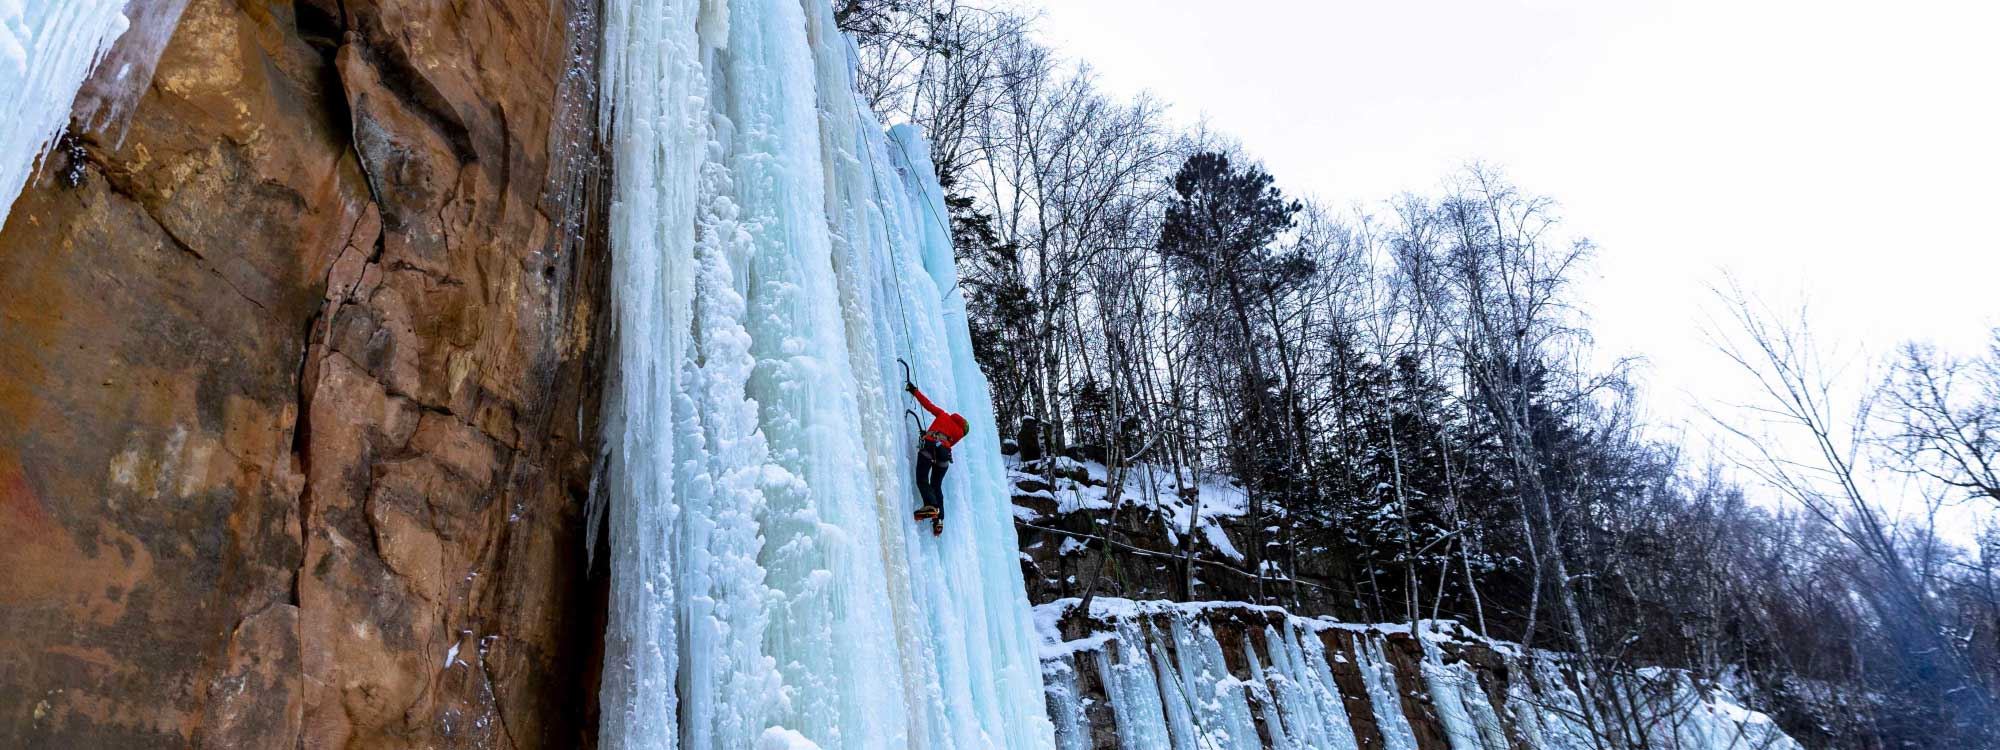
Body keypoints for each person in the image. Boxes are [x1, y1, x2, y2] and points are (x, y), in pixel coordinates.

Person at [906, 383, 969, 528]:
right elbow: (946, 444)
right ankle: (939, 520)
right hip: (944, 456)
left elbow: (928, 405)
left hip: (930, 446)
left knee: (922, 478)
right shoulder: (958, 434)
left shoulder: (944, 415)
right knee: (936, 485)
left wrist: (914, 391)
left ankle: (931, 506)